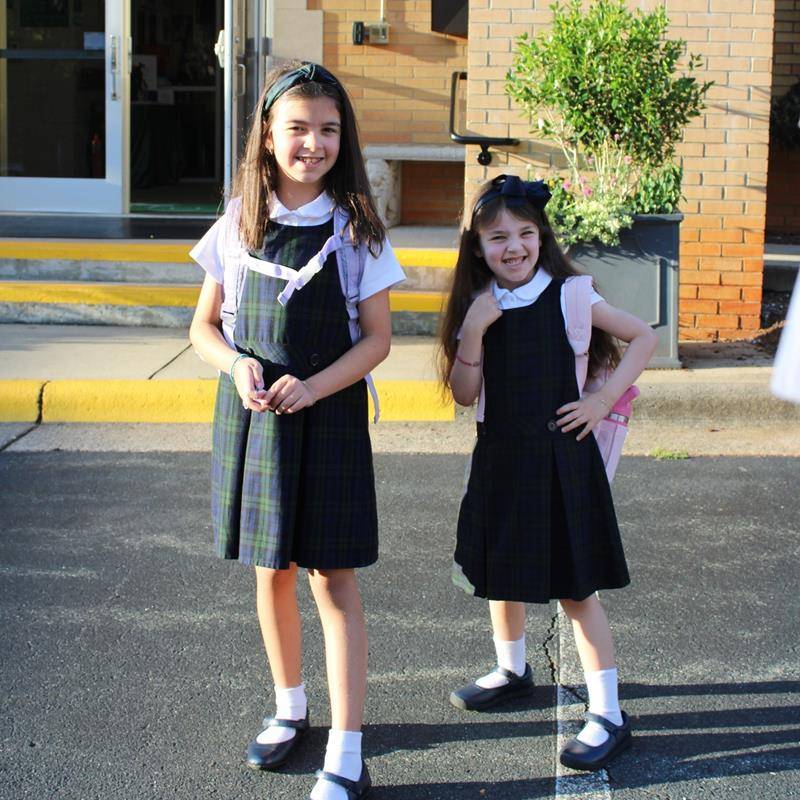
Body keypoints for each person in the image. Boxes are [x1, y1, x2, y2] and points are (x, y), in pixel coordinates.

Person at [189, 61, 404, 800]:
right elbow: (204, 327)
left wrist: (313, 385)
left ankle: (347, 747)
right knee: (269, 571)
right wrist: (235, 368)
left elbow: (377, 341)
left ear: (343, 138)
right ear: (268, 137)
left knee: (331, 579)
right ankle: (290, 709)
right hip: (256, 422)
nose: (313, 143)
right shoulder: (241, 218)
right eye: (298, 129)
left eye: (328, 130)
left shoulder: (356, 230)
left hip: (330, 416)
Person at [437, 174, 658, 772]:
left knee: (574, 588)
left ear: (542, 237)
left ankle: (608, 712)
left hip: (562, 461)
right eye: (497, 237)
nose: (513, 247)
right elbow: (463, 393)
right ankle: (512, 669)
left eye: (525, 233)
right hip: (501, 459)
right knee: (498, 573)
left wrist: (600, 400)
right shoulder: (478, 306)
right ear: (476, 247)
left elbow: (643, 338)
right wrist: (475, 329)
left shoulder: (571, 295)